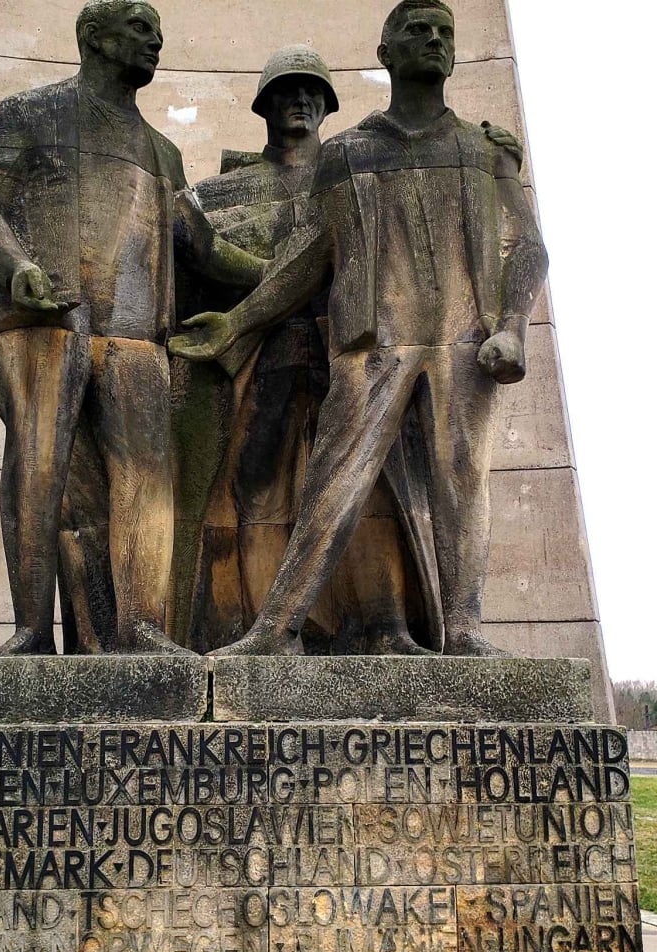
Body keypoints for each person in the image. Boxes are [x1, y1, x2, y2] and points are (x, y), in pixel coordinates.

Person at [170, 0, 548, 656]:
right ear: (386, 54)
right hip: (371, 346)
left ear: (454, 55)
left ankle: (464, 630)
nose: (431, 40)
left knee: (462, 481)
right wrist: (235, 322)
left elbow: (527, 247)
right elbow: (309, 258)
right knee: (333, 482)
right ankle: (273, 628)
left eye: (442, 33)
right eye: (415, 31)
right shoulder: (349, 152)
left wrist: (512, 326)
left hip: (464, 345)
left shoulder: (483, 152)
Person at [0, 0, 262, 655]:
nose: (156, 42)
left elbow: (199, 243)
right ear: (93, 36)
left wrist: (284, 273)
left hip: (136, 339)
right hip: (45, 321)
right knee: (38, 467)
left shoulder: (162, 151)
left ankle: (141, 628)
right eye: (140, 30)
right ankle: (31, 633)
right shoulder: (30, 113)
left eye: (158, 32)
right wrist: (15, 266)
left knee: (146, 481)